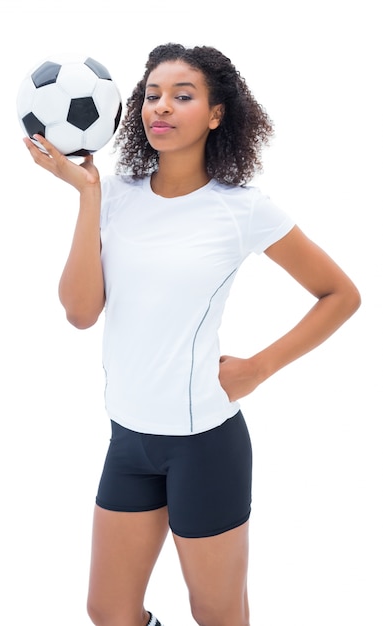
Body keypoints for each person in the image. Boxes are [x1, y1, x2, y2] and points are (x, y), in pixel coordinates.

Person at [23, 43, 361, 626]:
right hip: (128, 441)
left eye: (183, 97)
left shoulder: (242, 209)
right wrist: (88, 195)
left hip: (204, 445)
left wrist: (257, 368)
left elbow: (340, 295)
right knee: (108, 610)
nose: (162, 108)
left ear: (216, 114)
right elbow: (81, 313)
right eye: (152, 95)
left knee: (217, 614)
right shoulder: (115, 196)